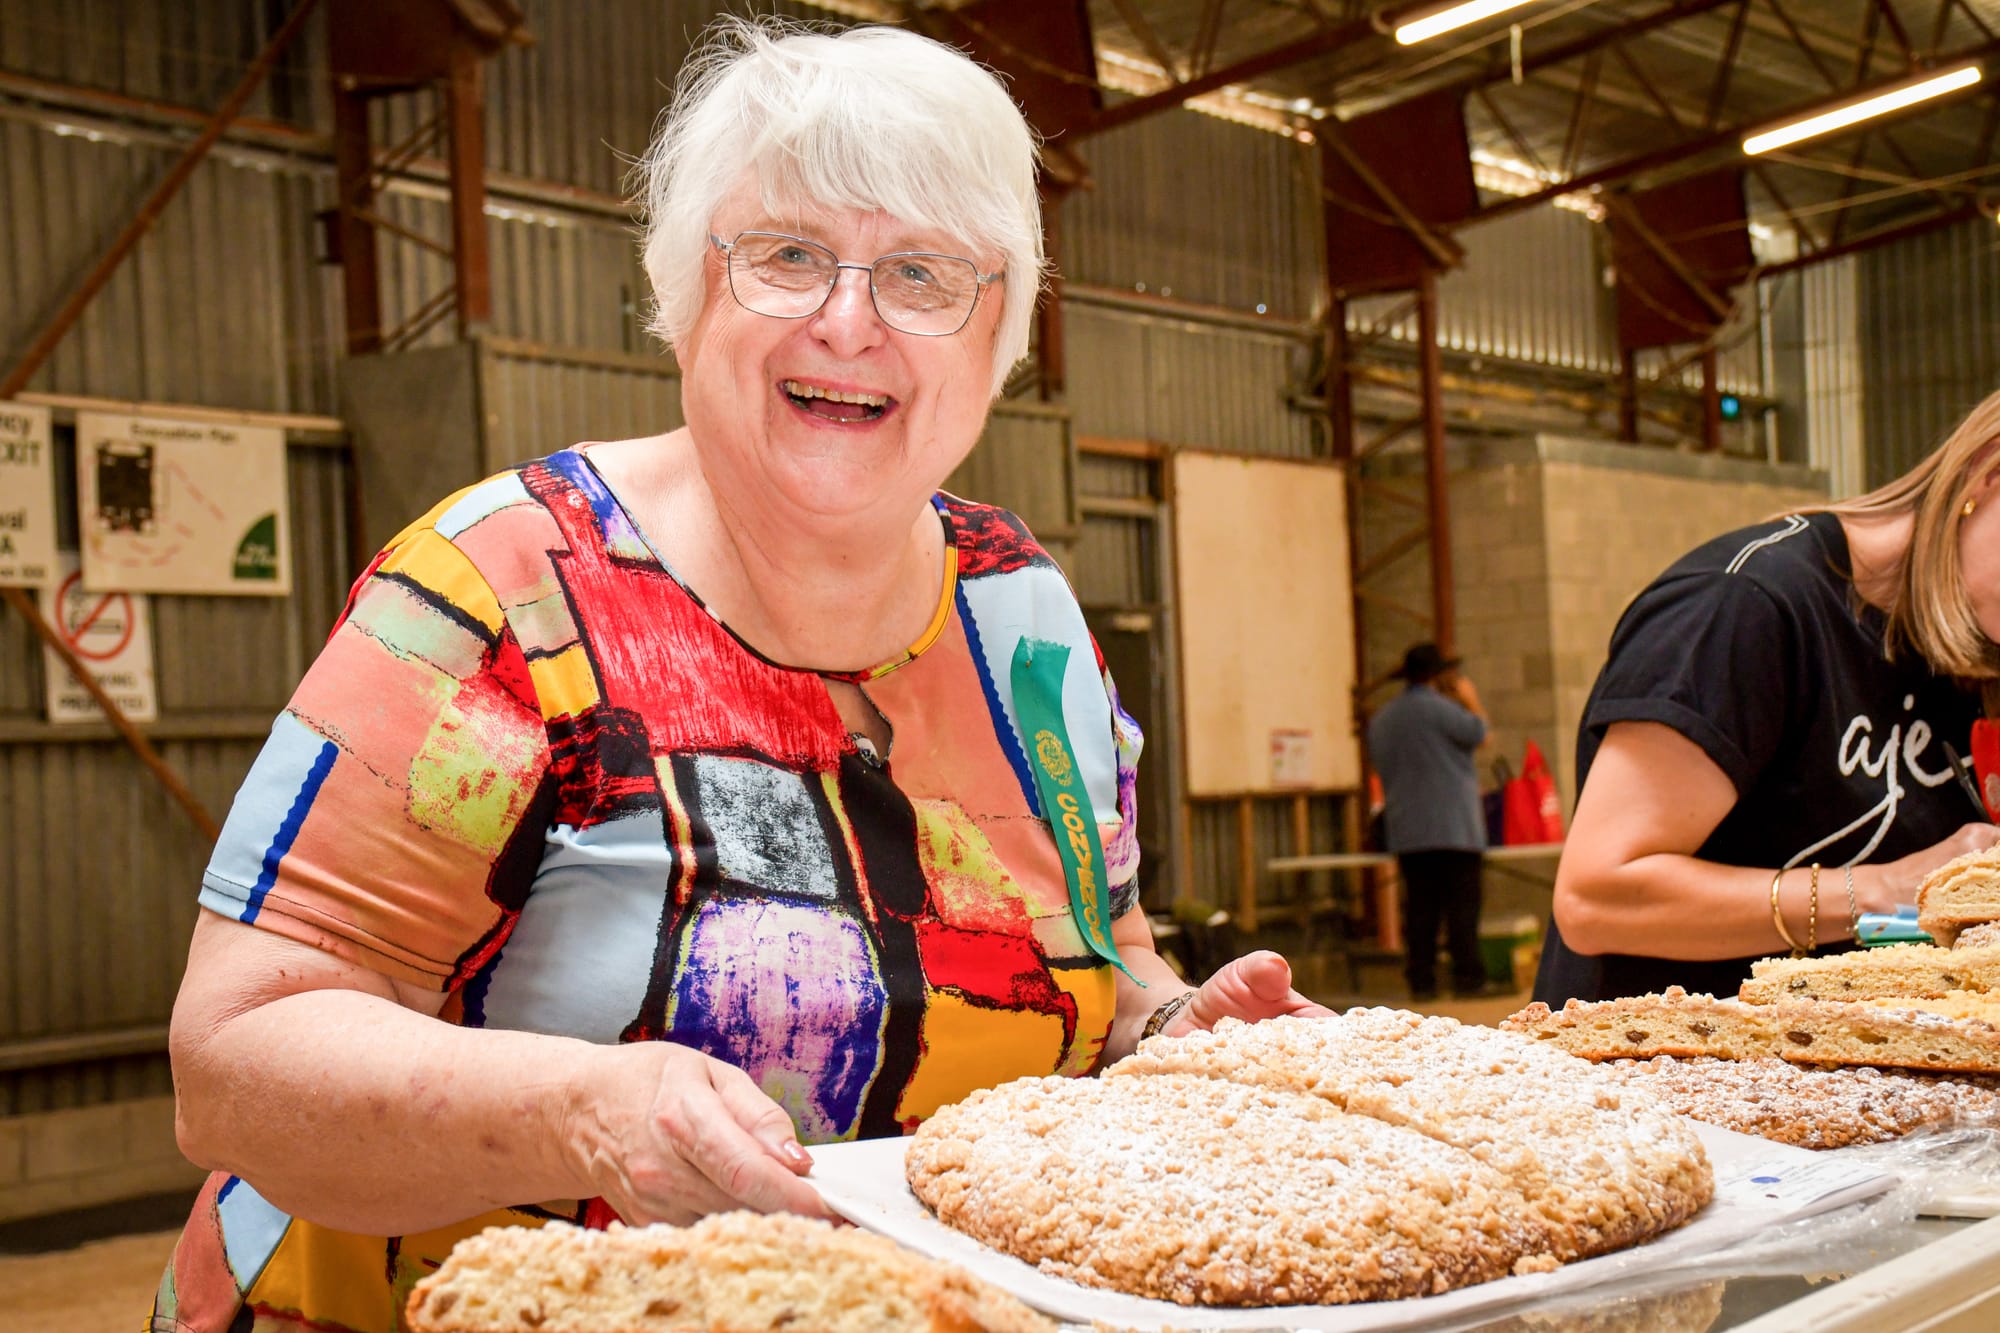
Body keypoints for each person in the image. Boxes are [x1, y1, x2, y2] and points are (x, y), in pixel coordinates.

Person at [152, 22, 1326, 1332]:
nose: (848, 320)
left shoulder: (1025, 617)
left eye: (923, 274)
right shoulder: (503, 596)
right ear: (684, 291)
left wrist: (1171, 1031)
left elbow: (1101, 950)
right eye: (786, 256)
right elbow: (234, 1062)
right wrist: (579, 1116)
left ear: (1002, 330)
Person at [1534, 387, 2000, 1007]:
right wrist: (1885, 889)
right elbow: (1597, 898)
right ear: (1988, 471)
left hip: (1839, 1071)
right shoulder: (1743, 606)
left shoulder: (1965, 642)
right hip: (1667, 1072)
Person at [1366, 642, 1492, 1000]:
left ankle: (1422, 983)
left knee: (1421, 912)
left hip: (1409, 831)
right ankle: (1469, 980)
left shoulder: (1383, 719)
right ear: (1439, 676)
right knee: (1462, 912)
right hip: (1455, 830)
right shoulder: (1444, 711)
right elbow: (1481, 733)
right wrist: (1470, 699)